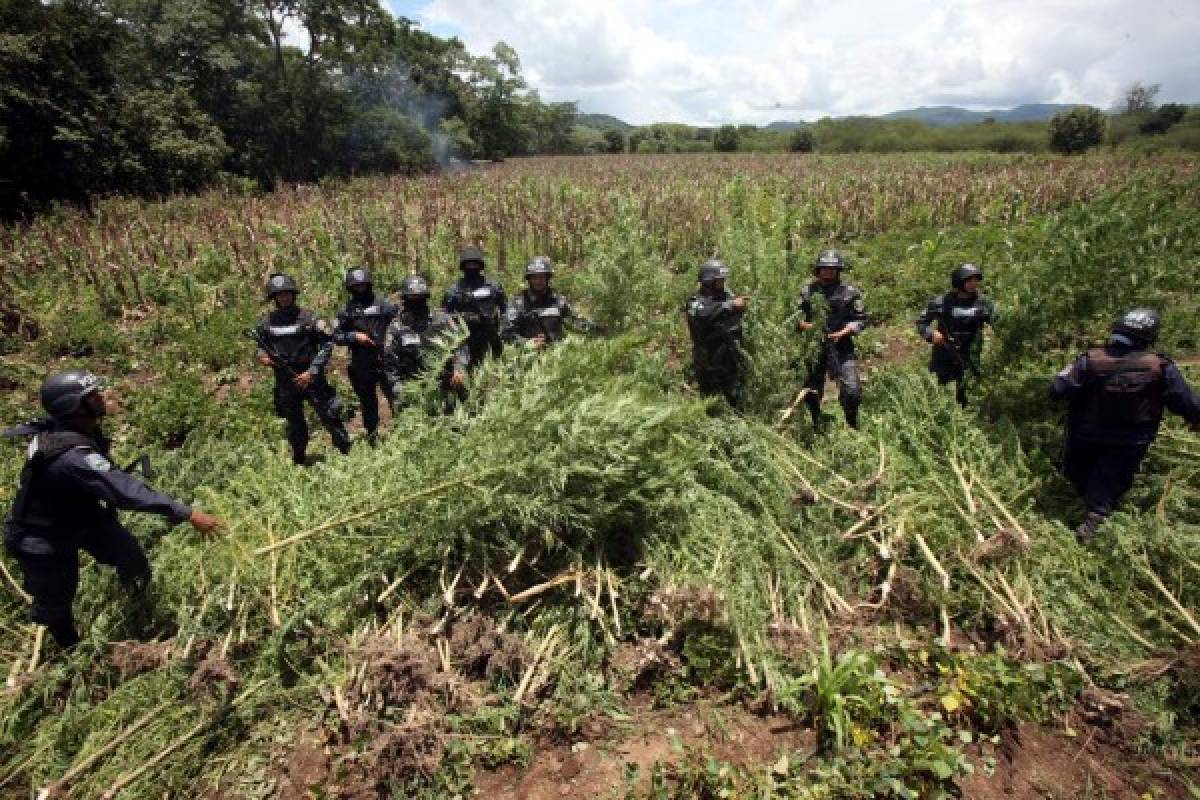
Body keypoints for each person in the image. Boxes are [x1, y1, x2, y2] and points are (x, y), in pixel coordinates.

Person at [2, 370, 223, 649]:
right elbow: (125, 491)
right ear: (72, 407)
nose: (101, 398)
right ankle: (68, 653)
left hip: (81, 515)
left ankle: (141, 610)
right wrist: (186, 513)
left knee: (131, 559)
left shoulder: (66, 429)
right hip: (42, 534)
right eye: (91, 396)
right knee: (56, 600)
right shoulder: (72, 456)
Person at [1052, 308, 1200, 542]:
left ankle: (1091, 520)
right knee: (1110, 480)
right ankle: (1096, 517)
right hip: (1131, 440)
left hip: (1086, 434)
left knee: (1082, 475)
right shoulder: (1159, 366)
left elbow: (1058, 389)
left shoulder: (1090, 360)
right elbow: (1185, 400)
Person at [254, 273, 351, 464]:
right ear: (274, 298)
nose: (284, 298)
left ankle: (346, 454)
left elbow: (326, 345)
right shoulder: (268, 323)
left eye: (287, 294)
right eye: (279, 295)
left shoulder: (310, 318)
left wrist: (312, 372)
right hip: (285, 381)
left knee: (330, 416)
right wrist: (262, 357)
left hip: (311, 378)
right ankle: (299, 460)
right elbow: (259, 346)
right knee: (295, 425)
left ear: (293, 294)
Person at [796, 249, 868, 429]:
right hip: (814, 348)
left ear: (838, 270)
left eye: (832, 269)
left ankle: (852, 424)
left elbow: (861, 319)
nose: (828, 272)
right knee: (811, 392)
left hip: (841, 347)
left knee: (852, 391)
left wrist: (844, 331)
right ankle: (815, 425)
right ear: (818, 270)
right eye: (824, 268)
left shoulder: (849, 292)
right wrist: (805, 326)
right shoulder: (807, 292)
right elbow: (793, 318)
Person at [332, 267, 399, 444]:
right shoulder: (346, 311)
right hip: (362, 362)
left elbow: (401, 324)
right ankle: (372, 437)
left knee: (396, 396)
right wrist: (354, 336)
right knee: (368, 402)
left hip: (386, 359)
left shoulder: (384, 305)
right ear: (350, 288)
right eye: (356, 286)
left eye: (363, 285)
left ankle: (403, 431)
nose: (360, 289)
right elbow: (336, 336)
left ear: (369, 284)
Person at [382, 274, 470, 409]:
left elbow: (461, 345)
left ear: (426, 298)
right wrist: (401, 390)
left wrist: (459, 368)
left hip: (445, 387)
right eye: (412, 298)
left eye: (420, 298)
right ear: (405, 299)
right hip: (413, 391)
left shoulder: (442, 320)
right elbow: (390, 365)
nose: (416, 302)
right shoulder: (396, 327)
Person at [916, 263, 995, 407]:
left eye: (976, 280)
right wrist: (931, 333)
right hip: (944, 355)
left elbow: (998, 323)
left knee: (967, 396)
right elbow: (922, 323)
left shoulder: (984, 303)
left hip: (970, 357)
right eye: (969, 280)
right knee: (937, 395)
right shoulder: (940, 303)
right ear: (959, 282)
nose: (973, 284)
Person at [683, 259, 749, 408]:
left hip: (729, 360)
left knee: (736, 400)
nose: (722, 283)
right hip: (708, 362)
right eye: (719, 281)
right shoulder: (695, 302)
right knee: (710, 403)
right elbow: (705, 314)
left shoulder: (725, 297)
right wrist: (730, 306)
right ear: (708, 282)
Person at [501, 256, 594, 348]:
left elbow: (576, 322)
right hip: (527, 355)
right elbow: (506, 333)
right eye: (534, 277)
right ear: (529, 279)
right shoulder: (518, 302)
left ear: (547, 278)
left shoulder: (558, 300)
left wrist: (599, 330)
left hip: (557, 354)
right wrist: (526, 343)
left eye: (542, 277)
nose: (538, 281)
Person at [443, 246, 507, 367]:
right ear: (463, 267)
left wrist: (501, 331)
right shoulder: (454, 290)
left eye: (475, 265)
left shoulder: (493, 286)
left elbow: (505, 311)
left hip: (491, 337)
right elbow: (445, 317)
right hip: (464, 340)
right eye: (469, 265)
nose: (472, 268)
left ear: (480, 266)